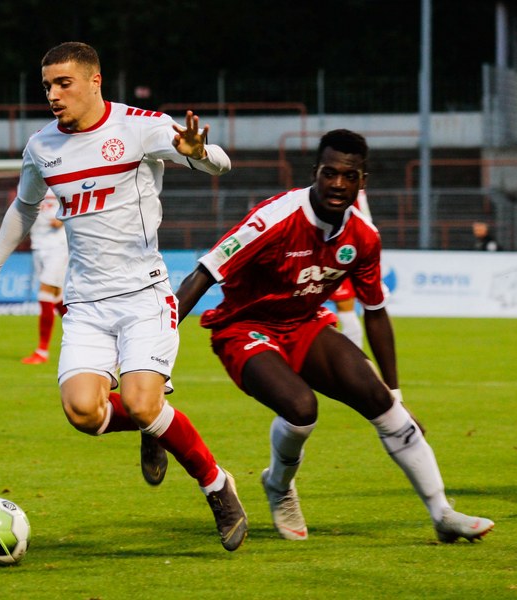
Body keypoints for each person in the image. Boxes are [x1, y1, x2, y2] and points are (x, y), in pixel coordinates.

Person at [0, 42, 248, 551]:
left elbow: (218, 163)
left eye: (63, 83)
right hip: (86, 304)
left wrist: (198, 152)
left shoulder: (139, 127)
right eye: (47, 85)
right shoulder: (41, 147)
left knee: (140, 401)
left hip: (144, 295)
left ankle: (216, 485)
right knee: (83, 413)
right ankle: (154, 426)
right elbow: (23, 209)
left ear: (95, 82)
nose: (52, 94)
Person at [174, 129, 494, 544]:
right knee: (301, 408)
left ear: (363, 181)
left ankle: (442, 513)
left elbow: (375, 312)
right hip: (243, 327)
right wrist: (155, 350)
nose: (338, 184)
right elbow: (203, 274)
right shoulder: (274, 219)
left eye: (349, 176)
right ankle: (279, 485)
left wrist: (395, 394)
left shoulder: (364, 236)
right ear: (315, 173)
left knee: (381, 402)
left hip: (304, 323)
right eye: (330, 173)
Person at [21, 189, 68, 364]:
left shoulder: (59, 179)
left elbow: (77, 202)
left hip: (58, 246)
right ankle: (87, 336)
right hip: (38, 246)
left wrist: (63, 219)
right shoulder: (29, 181)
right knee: (56, 297)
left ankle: (42, 350)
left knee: (45, 292)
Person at [328, 189, 371, 348]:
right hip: (341, 251)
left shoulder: (351, 193)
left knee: (345, 307)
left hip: (342, 252)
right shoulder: (356, 191)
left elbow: (364, 221)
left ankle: (354, 355)